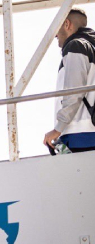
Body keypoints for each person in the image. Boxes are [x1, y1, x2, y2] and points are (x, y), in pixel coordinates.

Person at [43, 8, 95, 154]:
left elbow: (74, 91)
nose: (55, 35)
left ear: (67, 24)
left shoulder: (76, 46)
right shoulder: (91, 46)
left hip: (81, 133)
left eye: (57, 28)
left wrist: (58, 129)